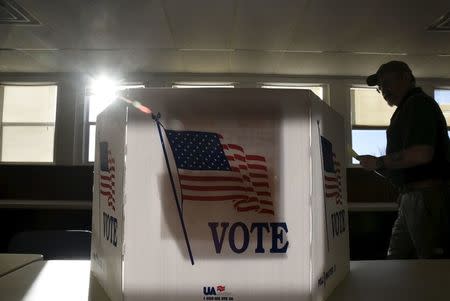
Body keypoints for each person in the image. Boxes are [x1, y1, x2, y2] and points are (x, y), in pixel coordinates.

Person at [357, 61, 450, 259]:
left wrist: (380, 162)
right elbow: (409, 162)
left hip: (426, 196)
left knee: (432, 267)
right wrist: (380, 168)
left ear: (407, 77)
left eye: (388, 82)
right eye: (380, 87)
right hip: (412, 196)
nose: (384, 90)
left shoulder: (418, 105)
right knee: (398, 260)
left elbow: (422, 154)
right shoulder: (406, 109)